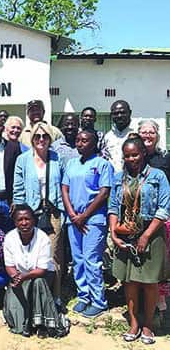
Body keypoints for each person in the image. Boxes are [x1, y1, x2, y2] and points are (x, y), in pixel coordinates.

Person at [108, 136, 169, 345]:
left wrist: (145, 235)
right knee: (130, 281)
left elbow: (164, 209)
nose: (131, 158)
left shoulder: (158, 176)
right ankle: (133, 323)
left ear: (143, 153)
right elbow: (113, 207)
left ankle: (148, 325)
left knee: (149, 282)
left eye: (135, 154)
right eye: (127, 155)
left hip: (151, 233)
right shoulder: (118, 178)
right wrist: (113, 232)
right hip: (126, 234)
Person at [61, 129, 114, 318]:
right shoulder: (72, 164)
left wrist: (84, 216)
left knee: (92, 260)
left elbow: (104, 192)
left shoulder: (102, 164)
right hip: (73, 220)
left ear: (94, 144)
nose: (80, 143)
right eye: (78, 140)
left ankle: (98, 300)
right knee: (78, 260)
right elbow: (65, 189)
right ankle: (83, 296)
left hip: (93, 220)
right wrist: (73, 214)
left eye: (85, 140)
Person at [13, 122, 65, 301]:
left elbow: (64, 186)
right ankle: (34, 296)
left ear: (50, 138)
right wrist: (20, 215)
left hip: (53, 213)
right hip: (31, 214)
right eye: (37, 136)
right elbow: (18, 190)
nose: (41, 139)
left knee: (53, 255)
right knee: (32, 255)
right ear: (32, 139)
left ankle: (55, 296)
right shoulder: (23, 160)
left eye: (45, 136)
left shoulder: (57, 158)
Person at [3, 204, 68, 338]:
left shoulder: (43, 238)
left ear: (34, 220)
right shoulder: (9, 238)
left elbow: (41, 270)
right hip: (20, 276)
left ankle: (42, 325)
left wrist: (23, 277)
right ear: (14, 222)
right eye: (19, 220)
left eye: (27, 219)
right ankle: (29, 322)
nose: (24, 223)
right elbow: (9, 266)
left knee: (38, 283)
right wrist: (15, 277)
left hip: (42, 275)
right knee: (16, 316)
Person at [137, 120, 170, 315]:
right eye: (144, 132)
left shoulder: (164, 158)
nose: (147, 135)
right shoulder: (134, 157)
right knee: (142, 257)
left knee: (161, 259)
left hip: (162, 217)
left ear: (157, 135)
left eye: (151, 132)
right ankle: (142, 299)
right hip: (138, 217)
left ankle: (161, 303)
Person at [101, 100, 134, 173]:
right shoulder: (107, 136)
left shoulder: (137, 133)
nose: (119, 116)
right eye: (116, 113)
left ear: (130, 113)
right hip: (111, 180)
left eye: (122, 112)